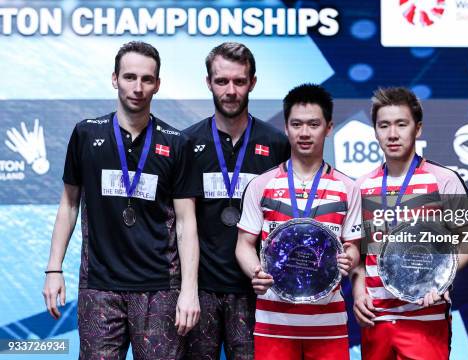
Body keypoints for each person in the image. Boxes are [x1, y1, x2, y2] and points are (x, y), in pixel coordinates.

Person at [42, 41, 201, 359]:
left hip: (160, 289)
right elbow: (69, 204)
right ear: (114, 78)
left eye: (146, 79)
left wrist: (189, 290)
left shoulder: (177, 143)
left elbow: (185, 223)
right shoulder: (86, 134)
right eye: (130, 77)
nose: (138, 87)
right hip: (99, 287)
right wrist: (53, 269)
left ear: (158, 84)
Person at [235, 84, 362, 360]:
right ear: (286, 127)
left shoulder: (348, 187)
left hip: (329, 325)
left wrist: (349, 259)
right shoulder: (262, 184)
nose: (304, 133)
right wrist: (256, 272)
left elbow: (352, 246)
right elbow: (244, 245)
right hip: (273, 324)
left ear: (329, 128)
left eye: (313, 124)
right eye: (297, 124)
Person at [351, 87, 468, 360]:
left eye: (401, 124)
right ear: (375, 131)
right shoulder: (361, 186)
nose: (392, 134)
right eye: (384, 125)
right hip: (377, 320)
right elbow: (358, 252)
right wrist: (358, 290)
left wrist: (441, 280)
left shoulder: (443, 180)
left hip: (425, 319)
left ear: (417, 129)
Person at [183, 42, 290, 359]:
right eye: (221, 81)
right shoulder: (186, 143)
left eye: (239, 81)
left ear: (252, 82)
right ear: (208, 83)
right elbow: (178, 223)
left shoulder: (277, 145)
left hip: (257, 292)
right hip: (200, 293)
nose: (230, 90)